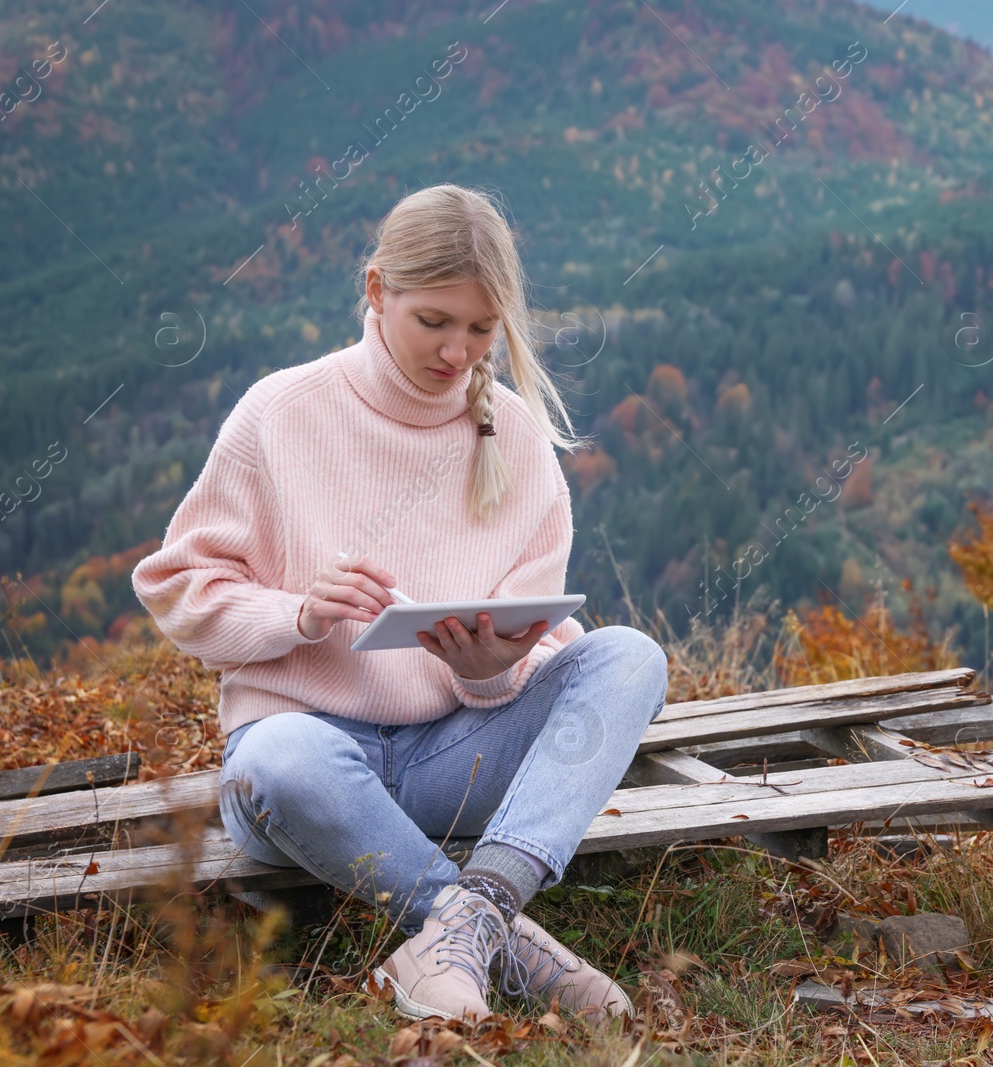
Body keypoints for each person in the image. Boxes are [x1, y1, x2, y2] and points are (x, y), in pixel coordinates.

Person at [130, 183, 668, 1025]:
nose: (458, 353)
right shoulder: (280, 412)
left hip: (454, 756)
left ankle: (471, 919)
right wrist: (296, 614)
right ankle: (508, 945)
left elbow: (524, 638)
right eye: (434, 322)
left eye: (481, 329)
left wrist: (489, 673)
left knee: (631, 657)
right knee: (280, 759)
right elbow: (176, 590)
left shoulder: (516, 437)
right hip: (310, 764)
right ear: (377, 291)